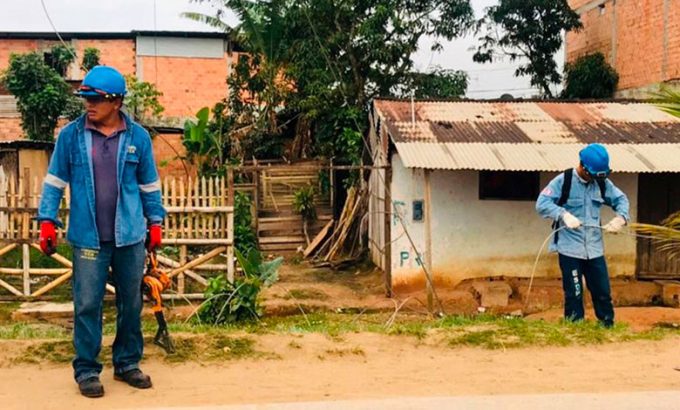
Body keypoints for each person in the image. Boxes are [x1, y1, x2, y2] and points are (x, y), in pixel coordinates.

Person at [37, 66, 166, 398]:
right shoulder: (70, 136)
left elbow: (149, 185)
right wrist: (47, 220)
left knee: (131, 303)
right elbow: (55, 181)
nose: (88, 105)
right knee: (87, 304)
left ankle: (127, 363)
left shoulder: (138, 138)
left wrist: (155, 222)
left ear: (116, 101)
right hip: (88, 237)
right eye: (85, 98)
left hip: (130, 237)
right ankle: (87, 370)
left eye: (95, 99)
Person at [536, 143, 630, 328]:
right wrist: (563, 214)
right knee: (574, 292)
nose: (595, 179)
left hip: (594, 248)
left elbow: (621, 199)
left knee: (602, 291)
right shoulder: (564, 181)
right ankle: (575, 328)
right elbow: (542, 203)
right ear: (583, 166)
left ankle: (607, 325)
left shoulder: (601, 182)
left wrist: (621, 218)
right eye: (592, 175)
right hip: (570, 249)